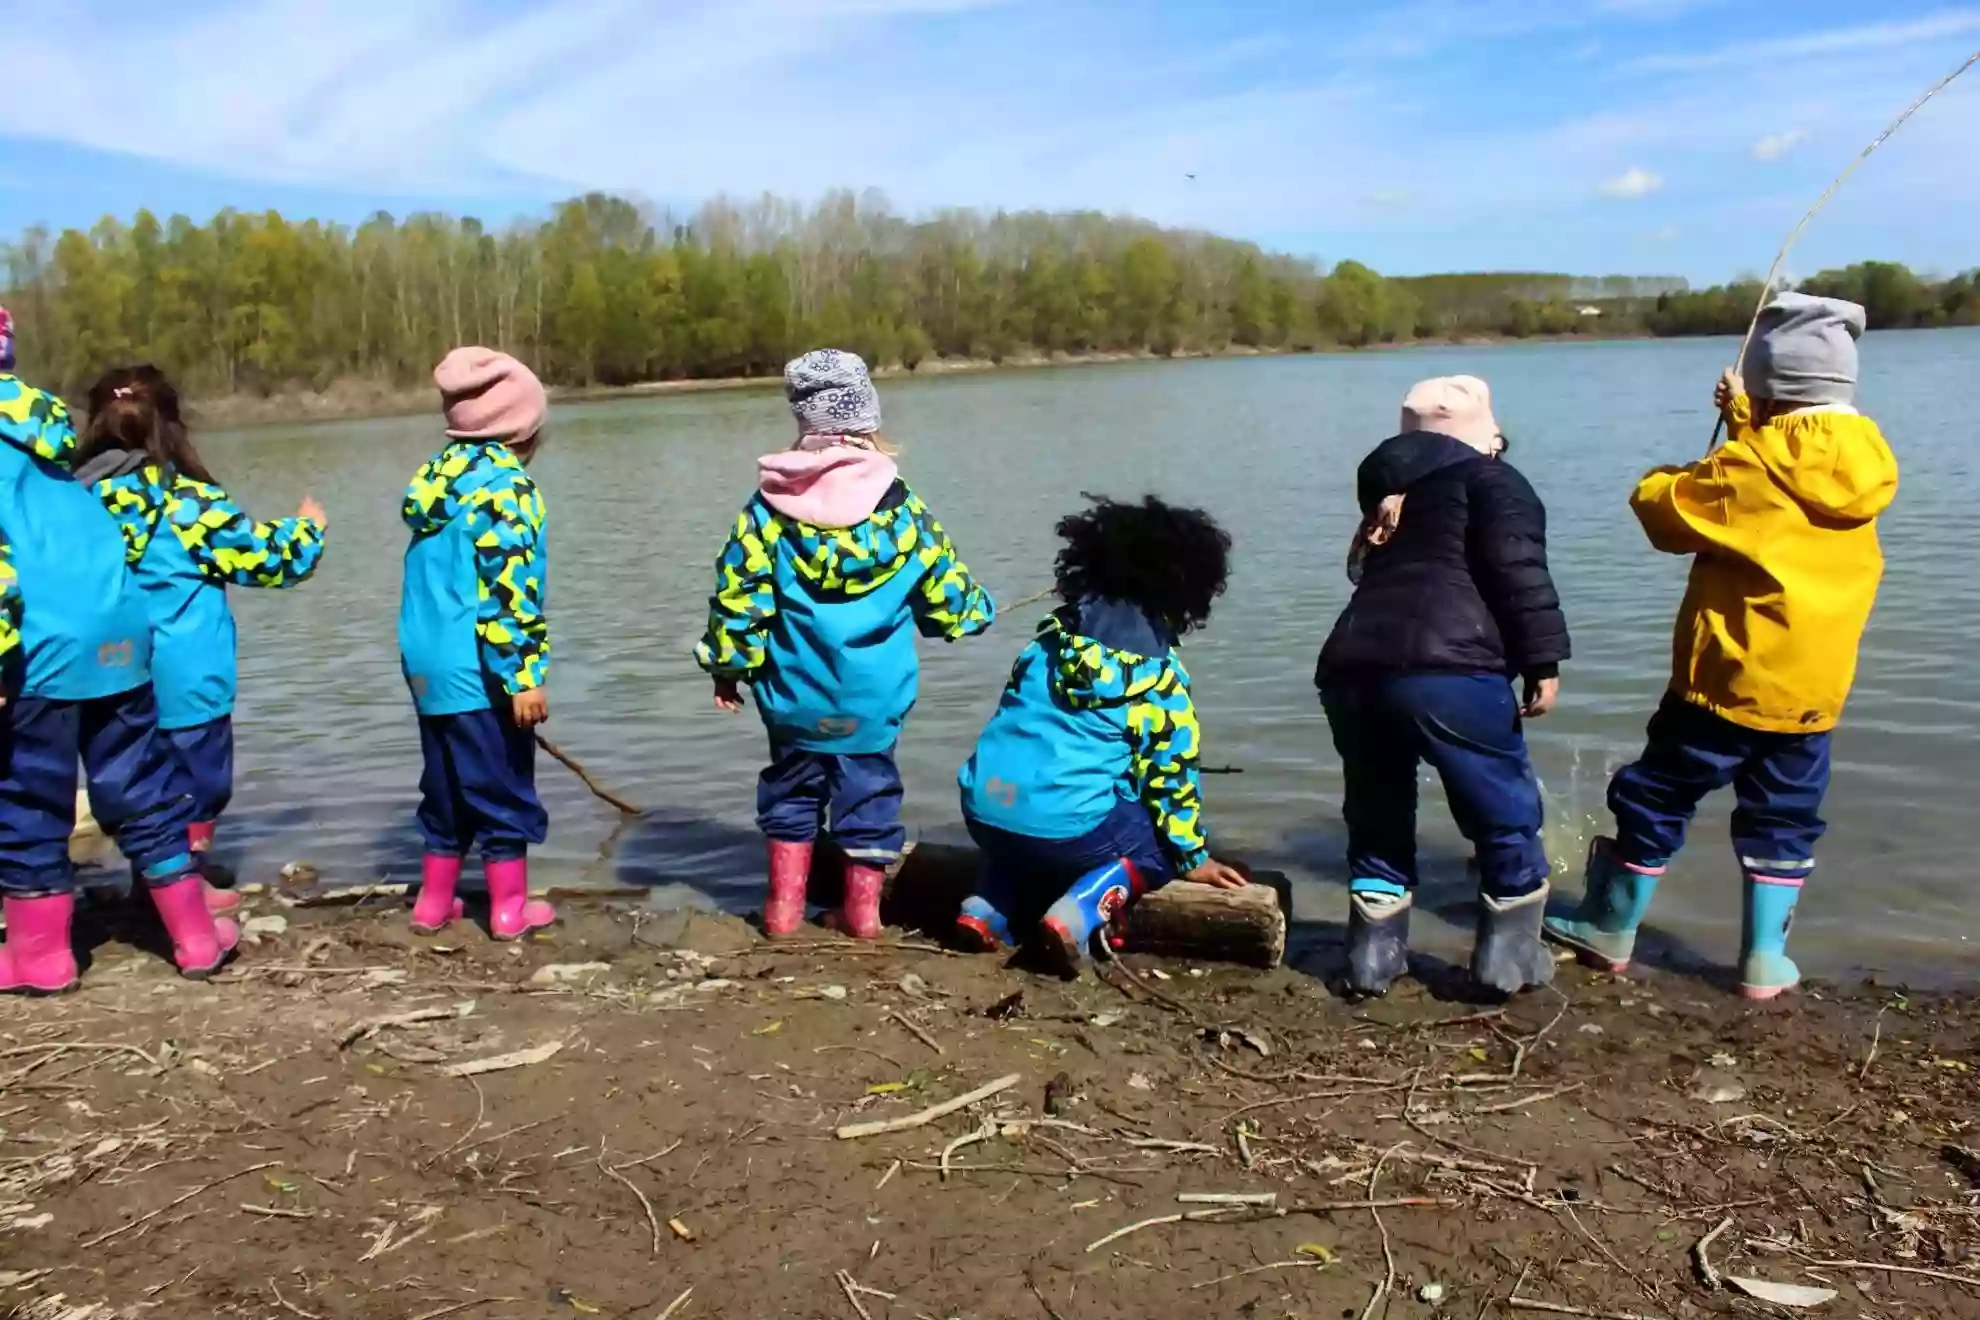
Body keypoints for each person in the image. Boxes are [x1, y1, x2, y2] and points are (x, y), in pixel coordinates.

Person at [1547, 294, 1897, 1000]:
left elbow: (1665, 513)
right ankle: (1765, 963)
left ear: (1773, 387)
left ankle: (1609, 930)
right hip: (1813, 695)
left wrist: (1668, 473)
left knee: (1655, 799)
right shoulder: (1866, 459)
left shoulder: (1748, 468)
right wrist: (1746, 418)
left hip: (1725, 685)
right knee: (1785, 818)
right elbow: (1788, 470)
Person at [696, 348, 995, 940]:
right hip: (873, 699)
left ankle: (782, 913)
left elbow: (738, 599)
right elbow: (950, 598)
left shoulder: (767, 512)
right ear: (868, 423)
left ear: (803, 424)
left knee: (790, 796)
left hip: (793, 699)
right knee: (869, 797)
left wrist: (726, 668)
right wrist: (971, 616)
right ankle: (863, 916)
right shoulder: (904, 510)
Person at [1315, 376, 1570, 998]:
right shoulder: (1494, 481)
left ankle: (1373, 960)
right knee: (1503, 812)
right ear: (1488, 435)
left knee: (1376, 809)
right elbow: (1519, 574)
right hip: (1450, 670)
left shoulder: (1387, 496)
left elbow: (1365, 574)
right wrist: (1543, 661)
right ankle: (1507, 963)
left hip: (1352, 666)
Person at [0, 338, 239, 991]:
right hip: (119, 634)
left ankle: (42, 957)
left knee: (26, 796)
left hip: (35, 645)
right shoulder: (45, 445)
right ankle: (194, 938)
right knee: (141, 786)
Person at [956, 495, 1249, 974]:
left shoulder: (1046, 642)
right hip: (1063, 826)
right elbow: (1170, 778)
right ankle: (1079, 913)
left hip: (983, 810)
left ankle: (985, 908)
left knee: (1031, 824)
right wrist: (1193, 857)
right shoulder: (1158, 675)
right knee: (1158, 848)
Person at [74, 366, 327, 908]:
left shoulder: (78, 501)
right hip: (188, 677)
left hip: (107, 675)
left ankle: (149, 886)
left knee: (133, 783)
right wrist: (307, 527)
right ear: (172, 426)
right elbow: (271, 560)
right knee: (200, 785)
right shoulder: (187, 502)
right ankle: (185, 883)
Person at [398, 348, 555, 941]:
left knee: (443, 784)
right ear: (523, 428)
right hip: (478, 666)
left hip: (425, 662)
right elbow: (510, 593)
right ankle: (511, 910)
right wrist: (524, 676)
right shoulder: (508, 490)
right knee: (501, 785)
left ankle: (433, 904)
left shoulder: (437, 482)